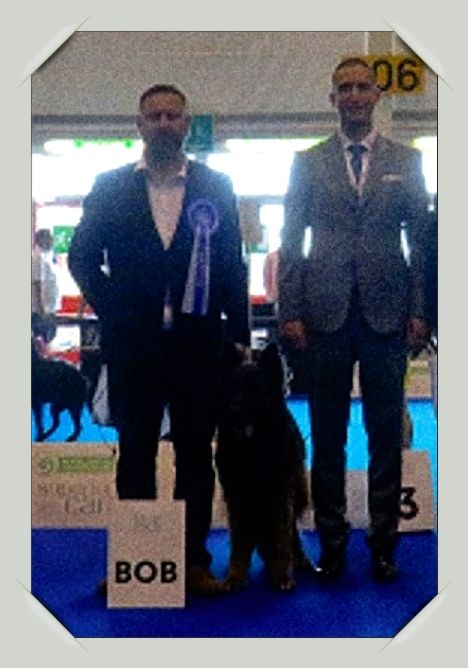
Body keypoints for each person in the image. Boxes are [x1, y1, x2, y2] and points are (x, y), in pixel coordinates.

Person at [68, 84, 250, 595]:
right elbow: (82, 258)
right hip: (134, 346)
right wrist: (115, 308)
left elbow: (232, 267)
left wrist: (240, 337)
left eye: (173, 116)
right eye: (155, 116)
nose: (164, 124)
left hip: (199, 345)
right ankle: (137, 559)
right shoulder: (109, 187)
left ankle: (193, 563)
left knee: (195, 456)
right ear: (140, 125)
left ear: (187, 125)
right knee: (135, 454)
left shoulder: (217, 185)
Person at [279, 58, 429, 582]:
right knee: (327, 435)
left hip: (389, 315)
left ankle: (384, 545)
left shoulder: (408, 160)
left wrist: (421, 310)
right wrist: (289, 310)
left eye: (363, 86)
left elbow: (421, 243)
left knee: (386, 435)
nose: (354, 95)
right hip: (323, 314)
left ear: (377, 95)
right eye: (345, 87)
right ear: (333, 98)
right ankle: (334, 545)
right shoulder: (307, 162)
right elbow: (290, 239)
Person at [31, 228, 59, 345]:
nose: (52, 241)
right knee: (43, 341)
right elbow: (37, 284)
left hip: (48, 308)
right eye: (49, 238)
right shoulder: (38, 258)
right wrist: (41, 309)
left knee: (48, 340)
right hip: (43, 310)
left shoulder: (46, 257)